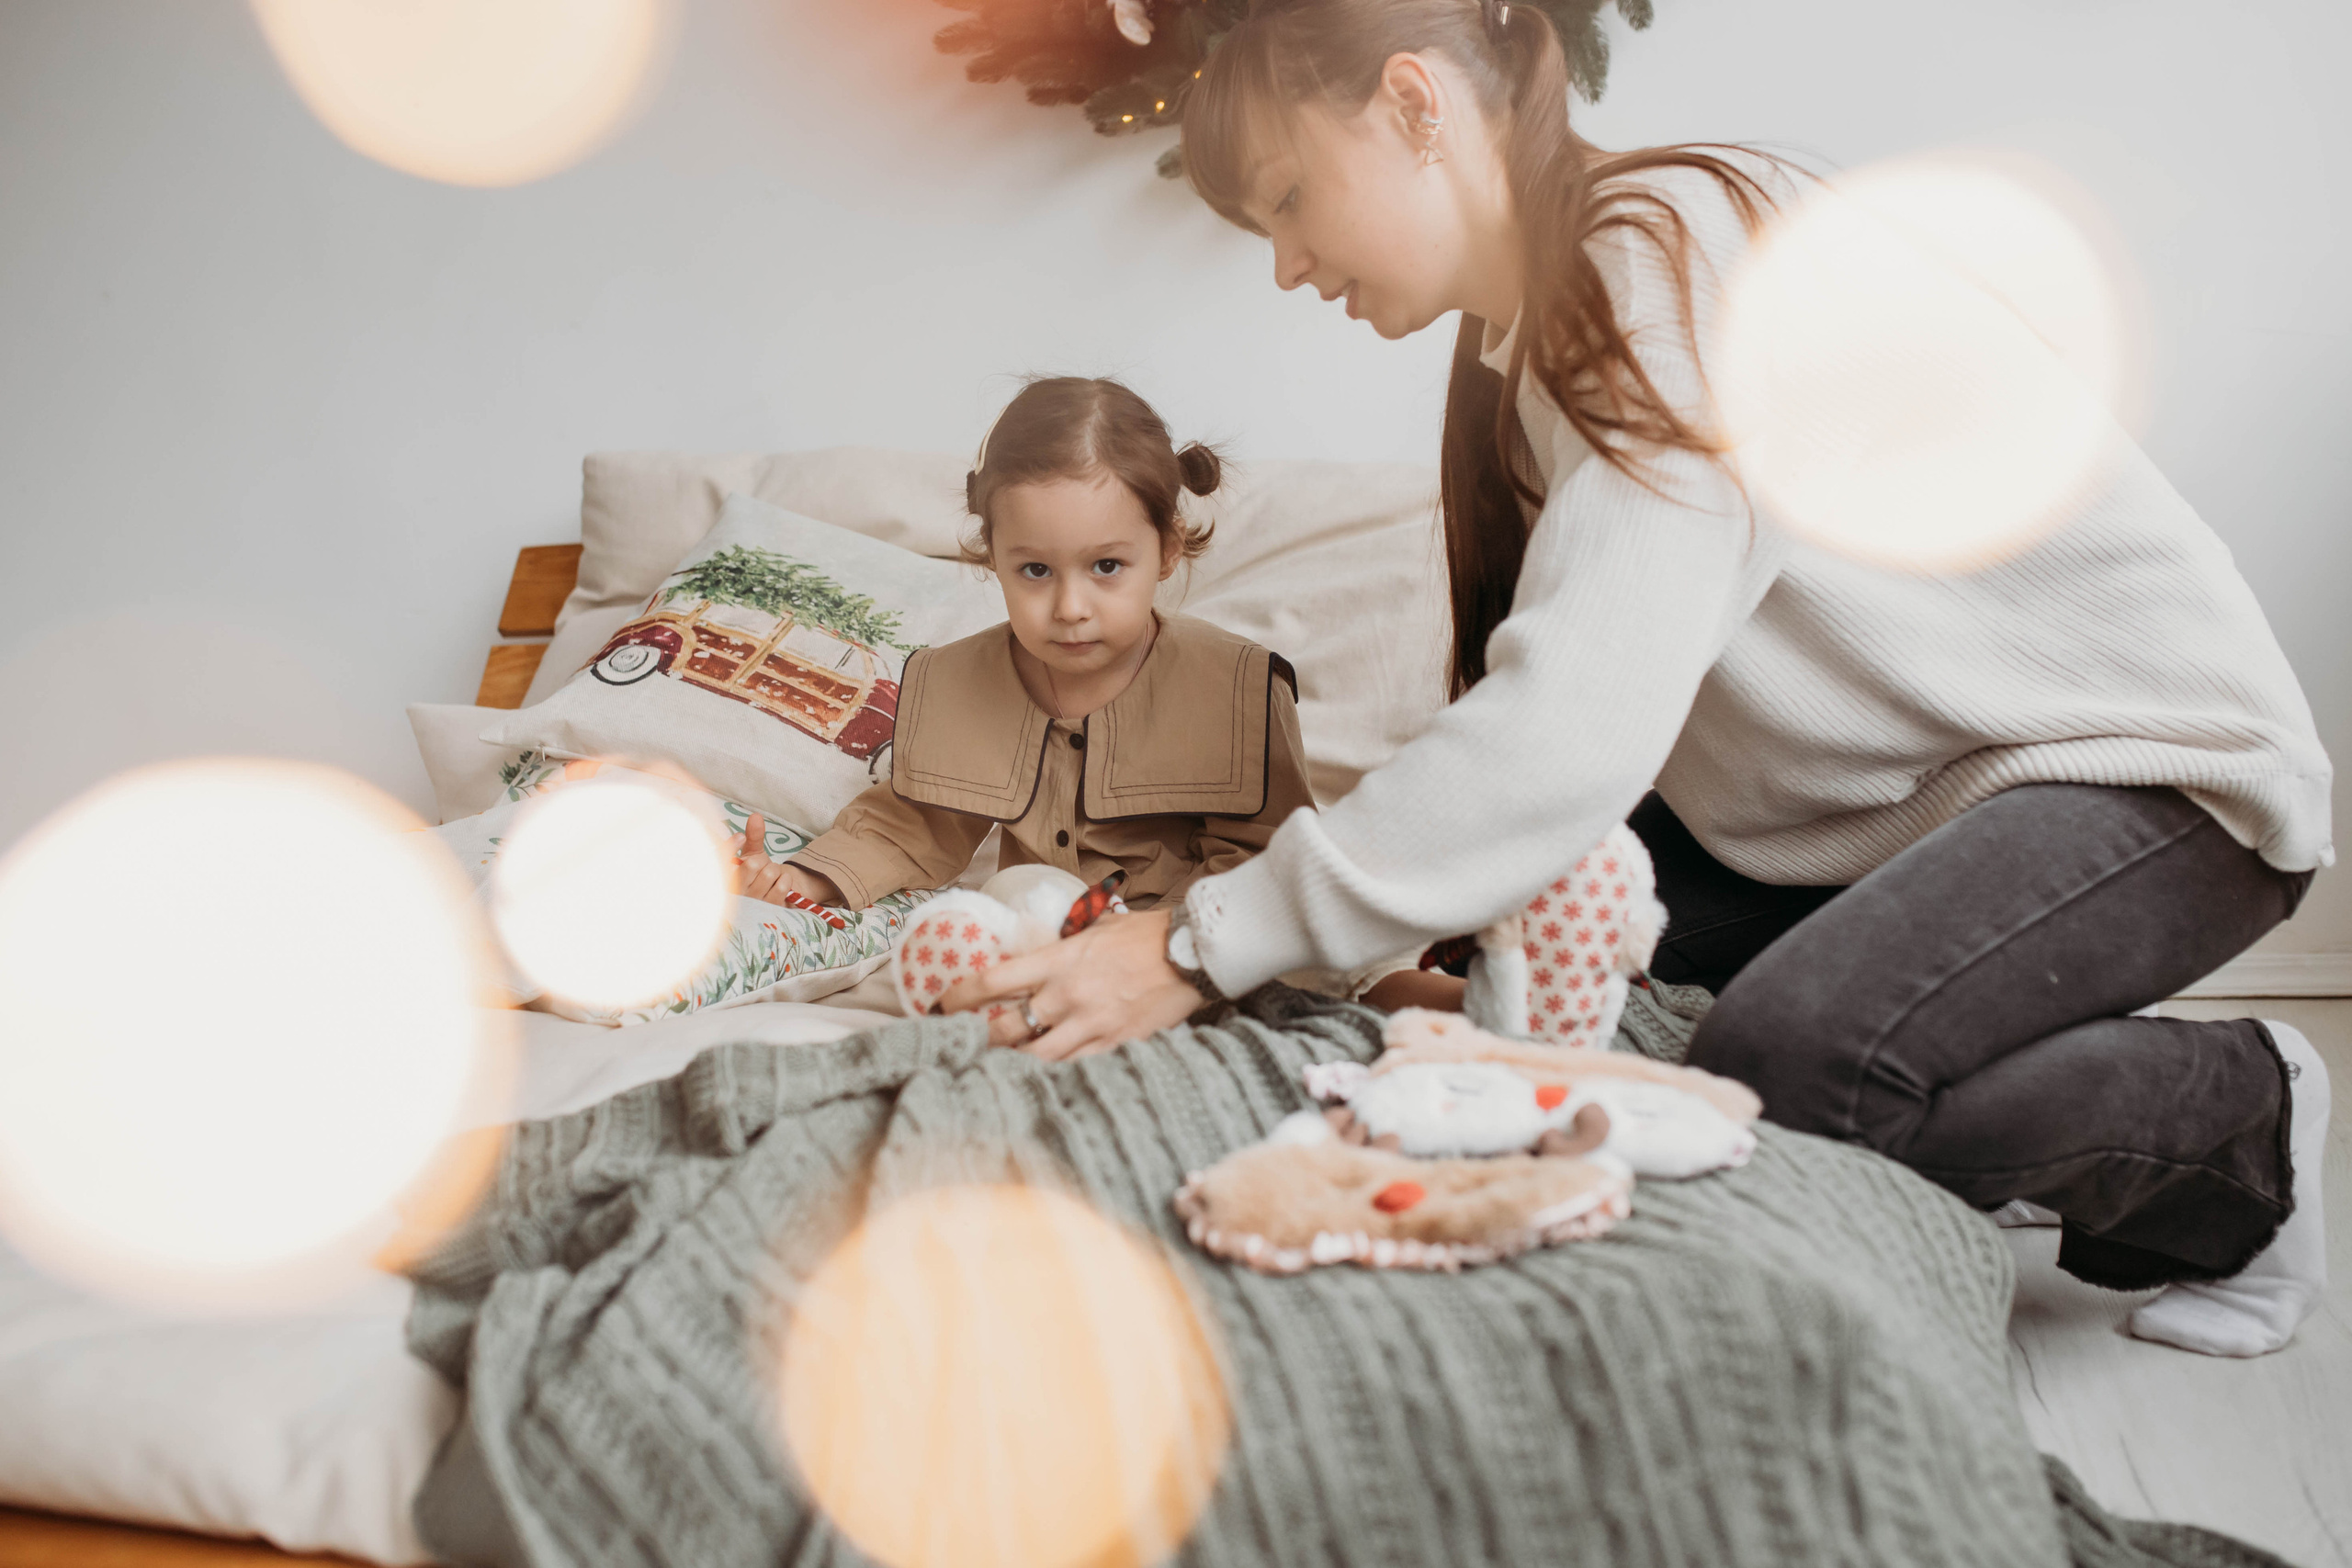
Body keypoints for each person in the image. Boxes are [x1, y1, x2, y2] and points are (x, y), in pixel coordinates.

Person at [945, 0, 2334, 1359]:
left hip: (2150, 773)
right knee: (1594, 1010)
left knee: (1787, 1074)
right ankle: (2002, 1053)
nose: (1289, 267)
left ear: (1416, 105)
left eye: (1295, 200)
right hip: (1910, 803)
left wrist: (1198, 937)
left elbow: (1573, 725)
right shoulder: (1527, 339)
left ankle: (2240, 1124)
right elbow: (1533, 740)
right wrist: (1449, 953)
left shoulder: (1661, 259)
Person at [733, 376, 1316, 1022]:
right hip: (1025, 954)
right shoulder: (960, 682)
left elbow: (1266, 859)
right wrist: (806, 880)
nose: (1069, 608)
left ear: (1168, 549)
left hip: (1178, 969)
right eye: (1035, 570)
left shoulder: (1232, 688)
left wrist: (1161, 947)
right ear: (994, 556)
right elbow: (914, 823)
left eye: (1106, 567)